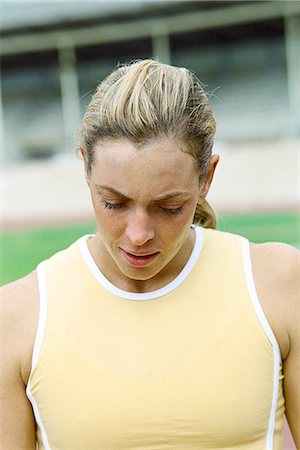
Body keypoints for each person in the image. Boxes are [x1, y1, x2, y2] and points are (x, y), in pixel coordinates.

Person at [2, 59, 299, 450]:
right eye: (113, 203)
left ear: (207, 178)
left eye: (169, 207)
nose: (139, 235)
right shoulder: (17, 316)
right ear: (86, 171)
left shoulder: (279, 283)